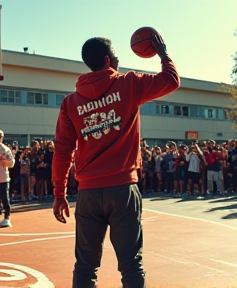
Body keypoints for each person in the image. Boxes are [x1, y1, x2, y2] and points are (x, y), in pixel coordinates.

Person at [52, 34, 180, 288]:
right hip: (122, 189)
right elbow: (171, 81)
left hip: (88, 192)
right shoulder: (129, 84)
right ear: (108, 59)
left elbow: (62, 151)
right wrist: (163, 53)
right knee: (131, 265)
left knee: (85, 266)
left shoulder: (70, 103)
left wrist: (59, 193)